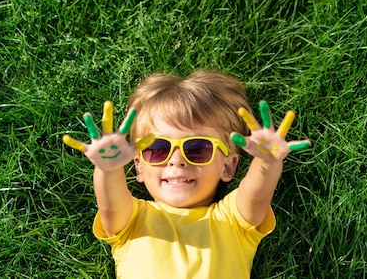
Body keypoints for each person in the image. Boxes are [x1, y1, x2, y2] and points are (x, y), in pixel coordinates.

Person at [63, 70, 311, 278]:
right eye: (158, 149)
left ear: (227, 166)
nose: (177, 160)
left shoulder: (233, 220)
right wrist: (108, 168)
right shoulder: (132, 219)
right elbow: (110, 203)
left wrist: (266, 161)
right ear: (138, 166)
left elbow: (257, 194)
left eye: (198, 148)